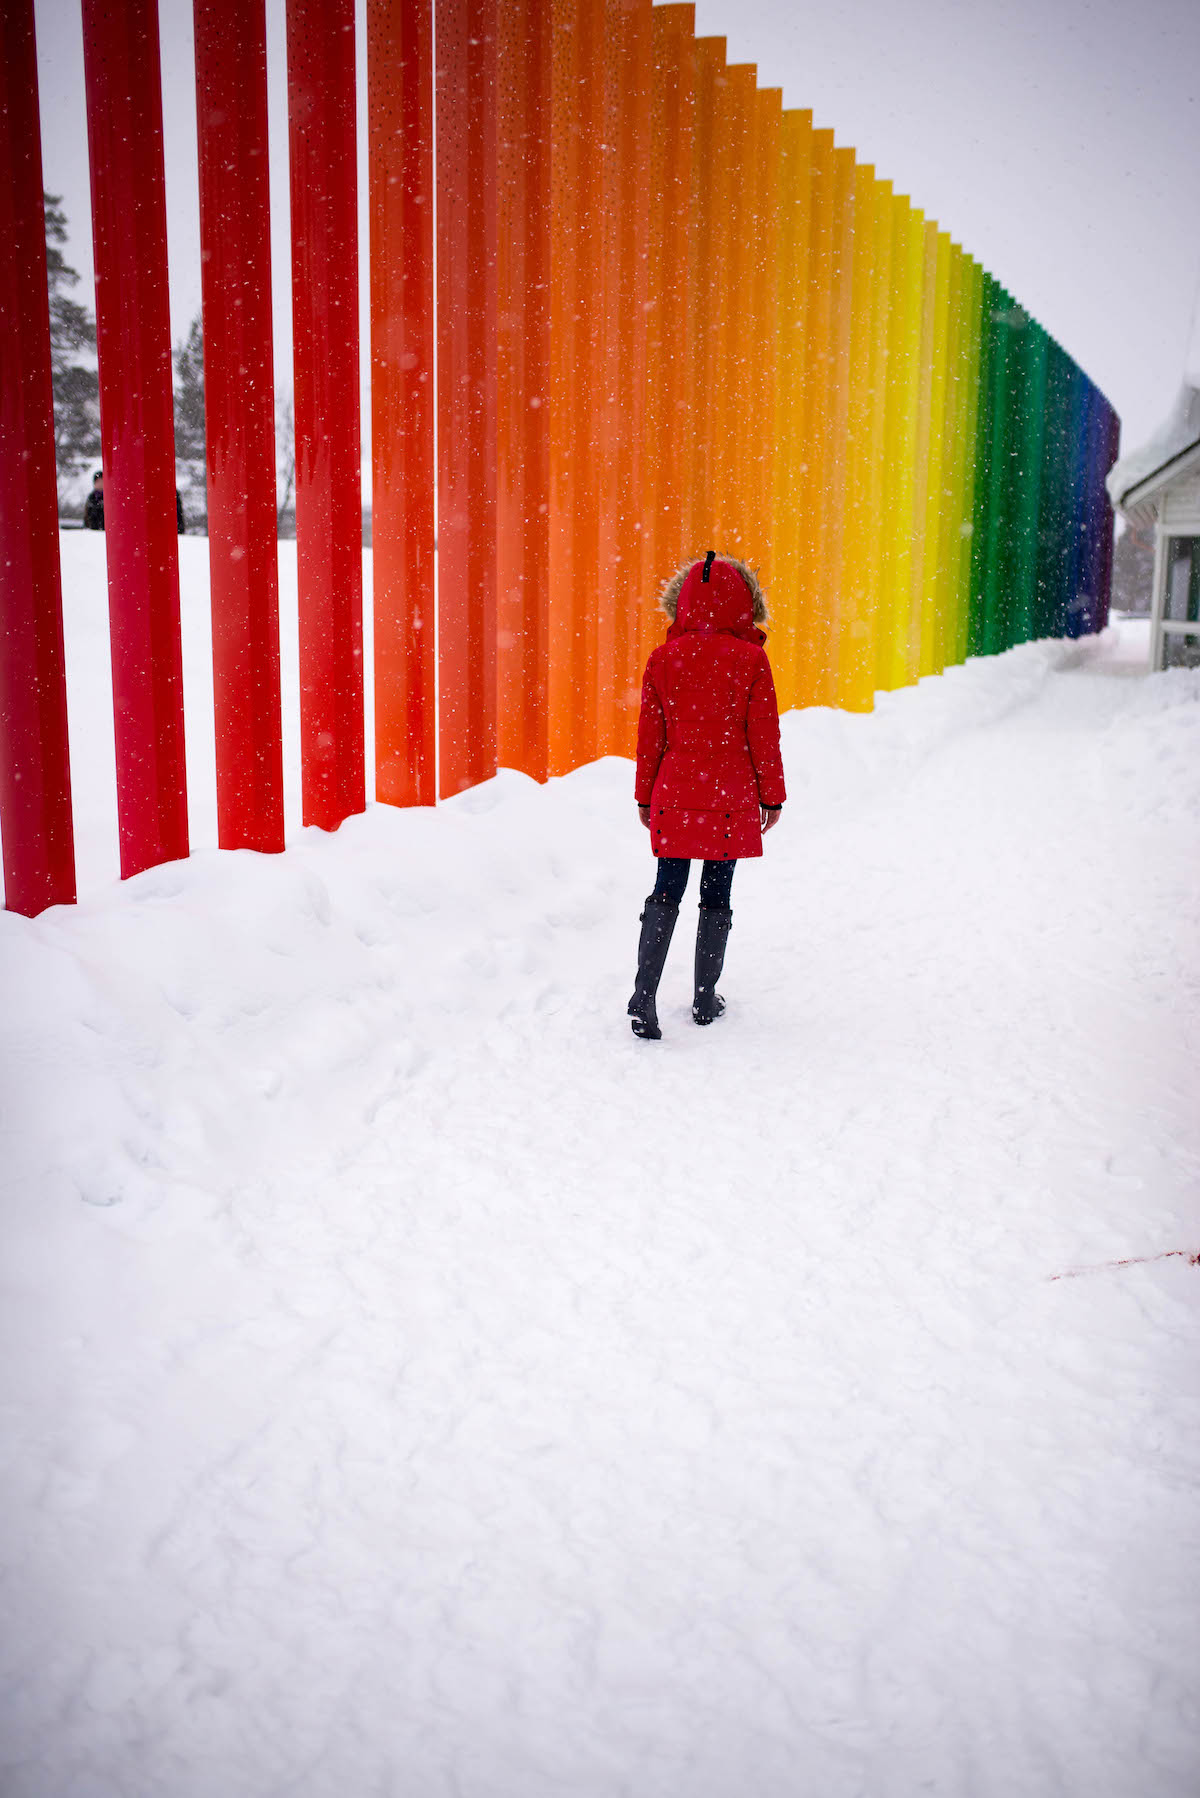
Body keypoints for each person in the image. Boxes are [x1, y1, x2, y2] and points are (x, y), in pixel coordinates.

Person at [628, 550, 786, 1040]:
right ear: (744, 604)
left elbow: (650, 736)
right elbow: (764, 735)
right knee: (716, 891)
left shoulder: (663, 659)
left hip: (674, 790)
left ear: (682, 603)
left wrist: (643, 796)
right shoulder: (752, 659)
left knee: (665, 888)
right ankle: (703, 999)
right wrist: (772, 797)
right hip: (731, 794)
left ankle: (644, 997)